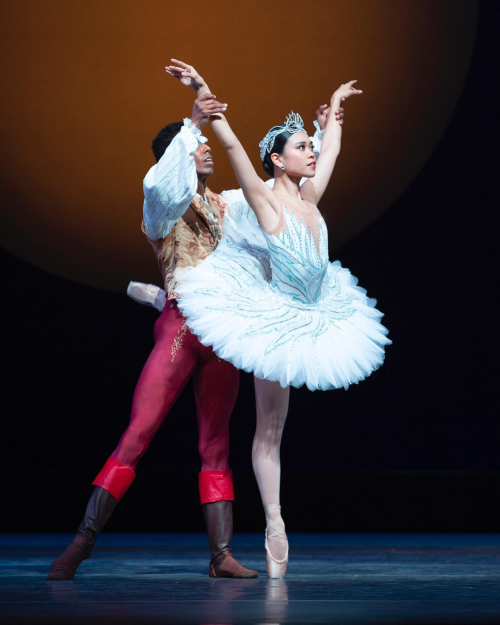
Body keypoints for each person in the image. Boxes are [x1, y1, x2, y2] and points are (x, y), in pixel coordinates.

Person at [170, 62, 392, 578]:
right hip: (276, 320)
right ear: (278, 159)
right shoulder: (268, 203)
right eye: (302, 148)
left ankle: (273, 520)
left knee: (279, 426)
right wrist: (204, 91)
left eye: (310, 148)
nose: (311, 152)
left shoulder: (312, 199)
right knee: (268, 430)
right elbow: (233, 152)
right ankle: (274, 521)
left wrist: (335, 108)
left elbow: (332, 147)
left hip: (322, 312)